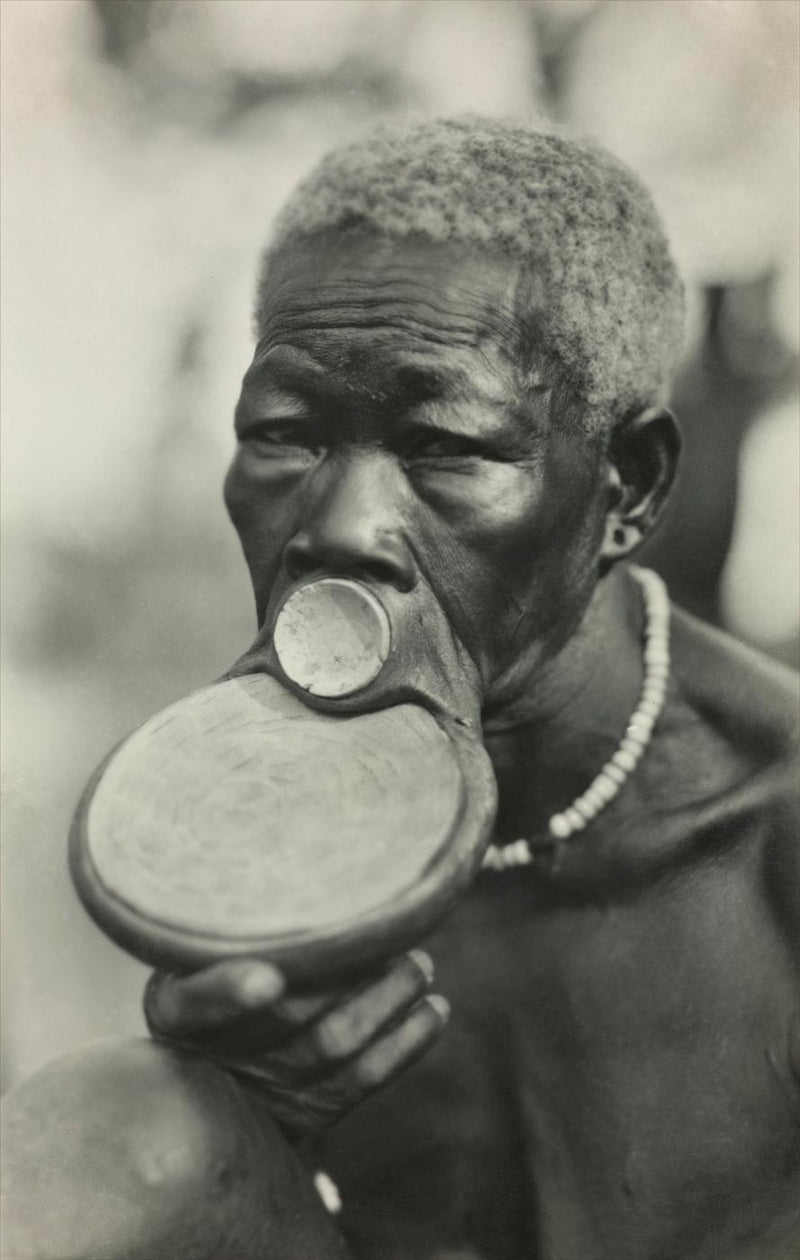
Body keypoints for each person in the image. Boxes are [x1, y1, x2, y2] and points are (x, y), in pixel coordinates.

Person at [3, 117, 798, 1260]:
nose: (339, 531)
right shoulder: (225, 843)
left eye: (444, 449)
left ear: (626, 488)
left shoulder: (771, 842)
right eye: (284, 434)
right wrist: (232, 1115)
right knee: (121, 1128)